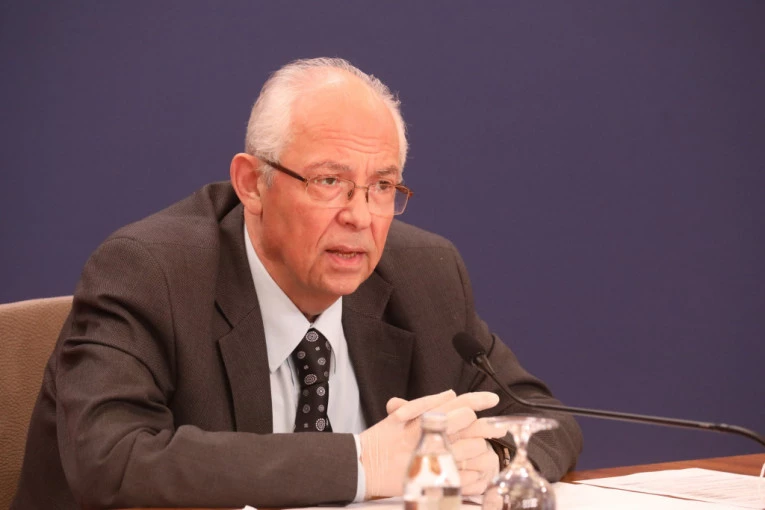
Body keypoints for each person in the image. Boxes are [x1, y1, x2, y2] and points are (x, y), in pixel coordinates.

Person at [12, 58, 582, 510]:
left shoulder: (424, 272)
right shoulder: (150, 272)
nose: (360, 216)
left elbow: (544, 418)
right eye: (329, 181)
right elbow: (110, 460)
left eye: (382, 187)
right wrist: (363, 462)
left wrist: (493, 455)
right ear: (251, 184)